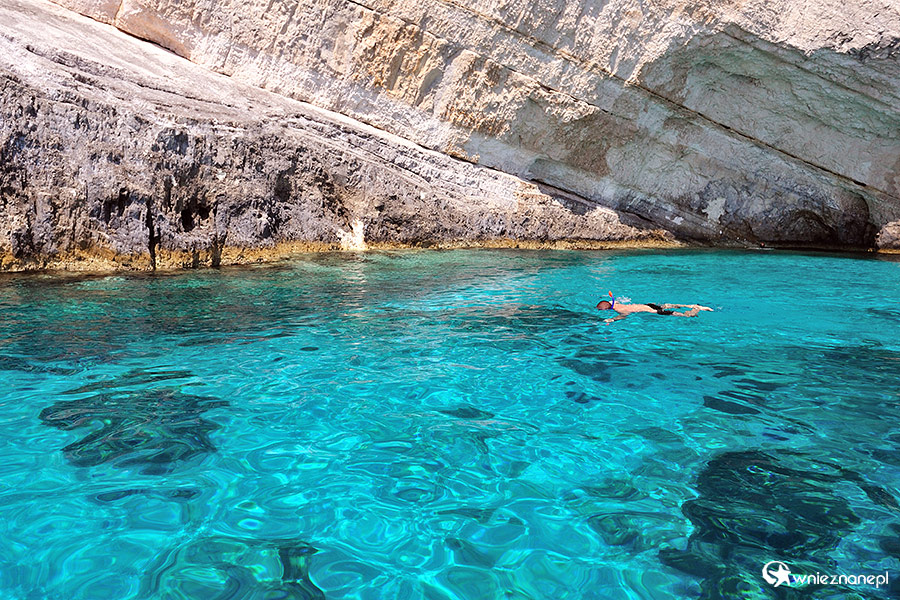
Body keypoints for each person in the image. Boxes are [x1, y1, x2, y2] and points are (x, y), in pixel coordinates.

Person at [596, 293, 712, 323]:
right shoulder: (615, 302)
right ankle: (688, 305)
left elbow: (624, 316)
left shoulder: (619, 310)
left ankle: (696, 308)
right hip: (648, 304)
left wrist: (612, 319)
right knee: (668, 305)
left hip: (654, 311)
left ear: (607, 309)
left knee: (686, 316)